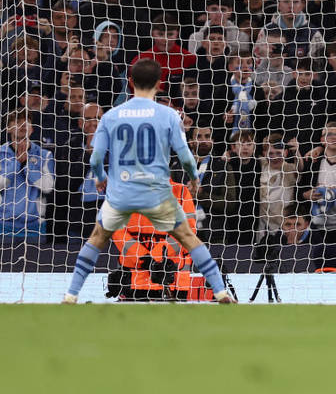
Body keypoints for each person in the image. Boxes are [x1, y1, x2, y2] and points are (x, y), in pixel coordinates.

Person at [63, 59, 235, 304]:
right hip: (156, 192)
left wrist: (101, 179)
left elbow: (96, 157)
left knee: (97, 238)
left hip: (123, 192)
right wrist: (194, 178)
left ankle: (71, 294)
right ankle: (220, 291)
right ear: (158, 83)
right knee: (189, 238)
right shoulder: (167, 115)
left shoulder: (112, 115)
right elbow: (185, 156)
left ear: (130, 82)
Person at [0, 109, 55, 240]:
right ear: (8, 128)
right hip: (4, 225)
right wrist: (17, 163)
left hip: (35, 226)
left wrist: (27, 165)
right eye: (18, 121)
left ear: (32, 129)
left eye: (27, 121)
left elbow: (48, 186)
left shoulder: (45, 155)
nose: (23, 124)